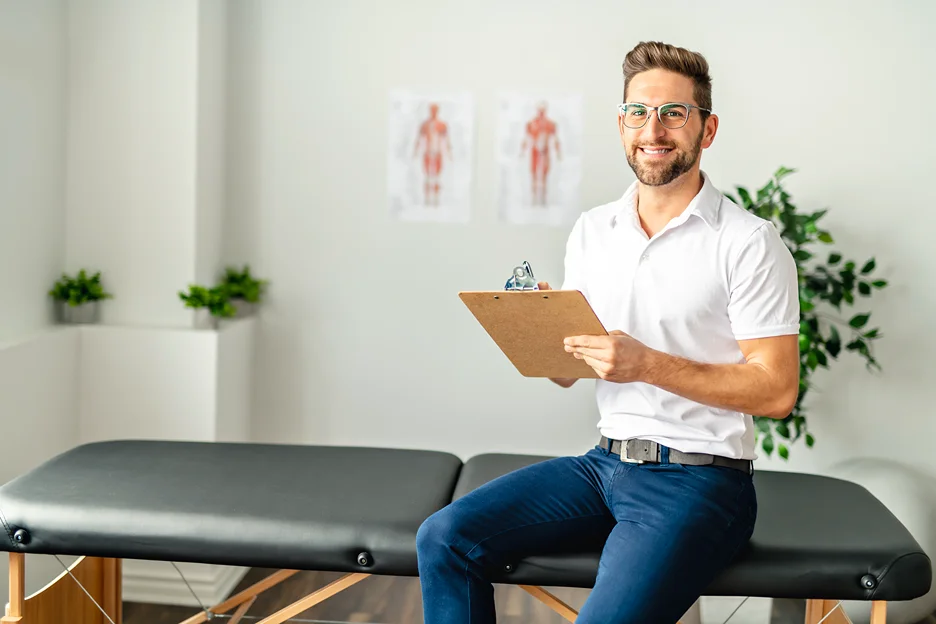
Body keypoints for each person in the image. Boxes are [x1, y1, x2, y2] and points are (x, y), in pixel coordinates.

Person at [416, 41, 800, 623]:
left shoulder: (748, 242)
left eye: (674, 112)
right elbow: (570, 375)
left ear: (707, 128)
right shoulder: (594, 230)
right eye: (637, 112)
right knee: (443, 538)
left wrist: (646, 364)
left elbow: (775, 391)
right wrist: (543, 331)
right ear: (621, 124)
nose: (654, 128)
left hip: (700, 482)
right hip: (603, 465)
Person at [520, 101, 561, 205]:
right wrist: (522, 151)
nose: (541, 113)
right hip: (535, 151)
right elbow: (526, 138)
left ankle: (543, 198)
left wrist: (558, 152)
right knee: (534, 173)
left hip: (545, 151)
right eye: (540, 110)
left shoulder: (550, 124)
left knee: (544, 174)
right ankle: (534, 197)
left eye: (543, 110)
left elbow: (556, 139)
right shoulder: (531, 124)